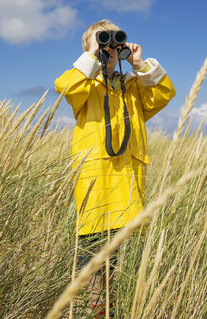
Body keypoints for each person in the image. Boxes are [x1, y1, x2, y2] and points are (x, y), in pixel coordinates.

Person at [54, 19, 175, 316]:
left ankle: (119, 310)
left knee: (125, 265)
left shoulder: (132, 88)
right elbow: (65, 87)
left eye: (113, 40)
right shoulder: (84, 87)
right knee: (94, 266)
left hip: (130, 191)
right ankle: (97, 312)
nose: (109, 46)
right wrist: (93, 55)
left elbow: (163, 93)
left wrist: (139, 63)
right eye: (102, 41)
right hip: (96, 191)